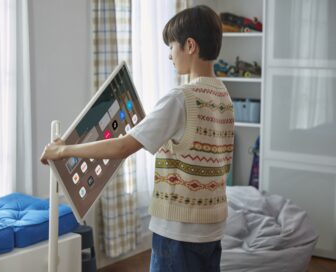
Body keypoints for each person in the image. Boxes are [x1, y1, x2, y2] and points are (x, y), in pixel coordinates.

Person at [40, 5, 234, 272]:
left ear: (190, 46)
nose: (169, 56)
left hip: (180, 231)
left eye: (172, 47)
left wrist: (64, 151)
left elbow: (123, 146)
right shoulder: (224, 96)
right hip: (212, 227)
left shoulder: (180, 98)